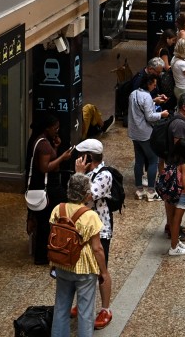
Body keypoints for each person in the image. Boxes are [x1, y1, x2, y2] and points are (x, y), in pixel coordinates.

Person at [49, 173, 111, 337]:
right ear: (86, 193)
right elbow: (97, 248)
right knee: (85, 312)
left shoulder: (58, 209)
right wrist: (103, 271)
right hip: (84, 269)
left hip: (62, 264)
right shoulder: (90, 216)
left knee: (61, 308)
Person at [75, 140, 116, 330]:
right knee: (82, 267)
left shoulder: (105, 175)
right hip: (82, 228)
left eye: (81, 155)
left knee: (101, 270)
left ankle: (106, 309)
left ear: (88, 157)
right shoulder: (88, 173)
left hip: (100, 230)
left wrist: (79, 175)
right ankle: (81, 303)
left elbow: (84, 197)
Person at [27, 113, 76, 265]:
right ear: (47, 128)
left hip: (46, 186)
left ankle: (47, 251)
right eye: (55, 128)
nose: (57, 130)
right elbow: (44, 167)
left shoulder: (43, 141)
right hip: (49, 188)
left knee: (45, 219)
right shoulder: (43, 145)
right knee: (50, 219)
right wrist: (63, 157)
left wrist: (55, 146)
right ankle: (46, 253)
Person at [128, 65, 170, 201]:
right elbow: (150, 116)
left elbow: (141, 106)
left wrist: (154, 100)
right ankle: (151, 192)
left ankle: (139, 190)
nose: (154, 87)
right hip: (145, 133)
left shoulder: (133, 94)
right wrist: (162, 114)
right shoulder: (146, 97)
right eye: (154, 84)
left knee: (139, 161)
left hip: (134, 133)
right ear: (149, 84)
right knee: (153, 160)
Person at [156, 138, 185, 255]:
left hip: (171, 194)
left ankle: (176, 242)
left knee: (172, 220)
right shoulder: (184, 165)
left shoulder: (172, 161)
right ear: (184, 152)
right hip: (181, 195)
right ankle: (174, 247)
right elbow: (184, 184)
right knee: (177, 221)